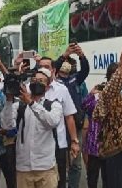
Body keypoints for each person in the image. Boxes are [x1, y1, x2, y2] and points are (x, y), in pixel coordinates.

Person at [92, 25, 122, 188]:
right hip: (116, 150)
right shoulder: (109, 92)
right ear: (115, 78)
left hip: (114, 150)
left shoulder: (118, 94)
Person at [0, 68, 62, 188]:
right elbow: (6, 125)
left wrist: (31, 103)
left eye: (41, 81)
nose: (36, 83)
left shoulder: (54, 105)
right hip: (24, 167)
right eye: (34, 80)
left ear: (48, 87)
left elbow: (52, 122)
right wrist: (8, 100)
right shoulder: (19, 105)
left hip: (46, 166)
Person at [38, 57, 81, 188]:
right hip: (38, 146)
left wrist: (74, 141)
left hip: (58, 145)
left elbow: (69, 117)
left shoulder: (61, 89)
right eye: (41, 67)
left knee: (59, 181)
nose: (44, 70)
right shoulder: (29, 89)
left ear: (53, 70)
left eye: (47, 67)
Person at [54, 44, 90, 188]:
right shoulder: (54, 81)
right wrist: (64, 54)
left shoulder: (75, 80)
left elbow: (86, 70)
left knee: (76, 163)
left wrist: (81, 55)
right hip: (58, 126)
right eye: (65, 61)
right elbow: (53, 68)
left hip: (76, 125)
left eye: (69, 61)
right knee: (60, 161)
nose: (66, 64)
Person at [81, 84, 105, 188]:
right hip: (94, 143)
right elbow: (83, 105)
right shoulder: (93, 102)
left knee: (108, 176)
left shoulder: (109, 101)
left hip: (107, 144)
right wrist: (91, 93)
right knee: (92, 176)